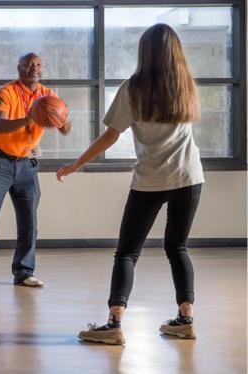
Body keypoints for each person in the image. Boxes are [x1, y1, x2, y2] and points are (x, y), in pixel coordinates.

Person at [56, 24, 204, 345]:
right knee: (177, 248)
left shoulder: (133, 88)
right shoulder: (186, 86)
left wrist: (76, 164)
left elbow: (111, 135)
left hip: (151, 180)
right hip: (189, 178)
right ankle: (186, 319)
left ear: (145, 52)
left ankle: (113, 325)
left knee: (127, 253)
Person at [0, 53, 71, 290]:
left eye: (38, 64)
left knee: (29, 221)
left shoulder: (48, 96)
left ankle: (24, 272)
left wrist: (61, 116)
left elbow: (65, 129)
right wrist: (29, 118)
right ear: (19, 67)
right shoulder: (6, 93)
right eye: (29, 64)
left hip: (27, 165)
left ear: (42, 69)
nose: (34, 68)